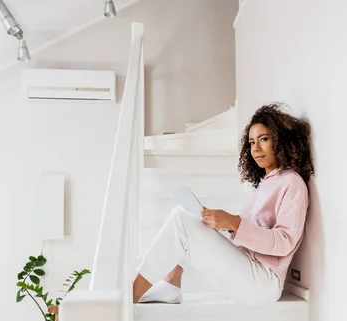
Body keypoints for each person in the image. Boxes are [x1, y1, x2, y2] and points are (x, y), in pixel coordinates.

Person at [133, 103, 315, 305]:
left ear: (280, 141)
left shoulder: (292, 182)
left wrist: (234, 223)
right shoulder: (265, 184)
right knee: (186, 215)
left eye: (264, 139)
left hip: (263, 282)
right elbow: (249, 235)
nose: (256, 148)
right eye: (252, 142)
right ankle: (171, 282)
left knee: (181, 221)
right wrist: (222, 226)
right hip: (247, 270)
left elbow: (284, 242)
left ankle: (133, 293)